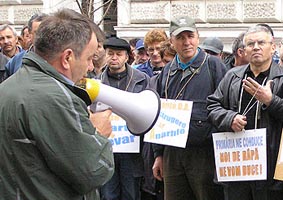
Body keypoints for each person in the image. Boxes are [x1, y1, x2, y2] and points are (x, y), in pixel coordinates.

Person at [0, 8, 114, 200]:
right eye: (88, 58)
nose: (91, 67)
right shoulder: (57, 99)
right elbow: (94, 171)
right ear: (67, 58)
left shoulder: (8, 87)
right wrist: (97, 134)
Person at [151, 16, 227, 200]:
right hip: (173, 153)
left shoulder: (213, 66)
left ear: (198, 37)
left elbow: (226, 107)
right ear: (171, 41)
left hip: (204, 154)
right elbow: (158, 114)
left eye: (190, 36)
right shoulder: (167, 72)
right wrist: (158, 154)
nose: (187, 42)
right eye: (180, 38)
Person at [207, 25, 283, 200]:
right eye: (250, 44)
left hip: (271, 169)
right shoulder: (232, 76)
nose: (255, 47)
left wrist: (270, 101)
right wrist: (229, 118)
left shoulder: (280, 78)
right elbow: (212, 106)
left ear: (273, 47)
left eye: (261, 42)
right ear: (244, 50)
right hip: (237, 166)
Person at [99, 36, 150, 200]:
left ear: (127, 57)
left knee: (131, 194)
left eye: (118, 54)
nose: (114, 58)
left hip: (132, 152)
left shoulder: (142, 80)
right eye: (110, 53)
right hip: (107, 150)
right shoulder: (96, 82)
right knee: (108, 195)